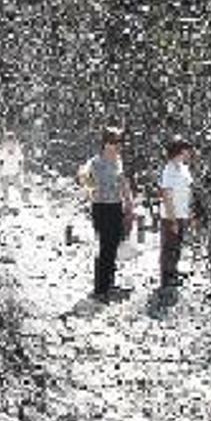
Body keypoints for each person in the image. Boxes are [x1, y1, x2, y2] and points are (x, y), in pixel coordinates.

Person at [78, 126, 134, 301]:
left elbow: (123, 181)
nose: (118, 145)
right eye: (114, 142)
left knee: (114, 244)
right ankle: (100, 288)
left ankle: (109, 282)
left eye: (119, 142)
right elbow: (83, 178)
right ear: (105, 143)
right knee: (105, 246)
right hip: (101, 208)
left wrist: (129, 202)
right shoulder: (95, 162)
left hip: (116, 206)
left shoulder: (118, 161)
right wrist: (90, 191)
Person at [159, 136, 197, 289]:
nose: (189, 153)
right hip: (171, 216)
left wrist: (191, 212)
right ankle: (166, 278)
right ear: (179, 151)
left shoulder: (183, 168)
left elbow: (188, 190)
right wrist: (173, 219)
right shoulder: (168, 170)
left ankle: (174, 271)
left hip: (183, 213)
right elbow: (167, 196)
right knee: (169, 247)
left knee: (177, 245)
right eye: (186, 150)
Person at [0, 131, 25, 207]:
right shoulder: (4, 150)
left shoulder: (18, 150)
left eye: (11, 142)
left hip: (14, 170)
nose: (10, 144)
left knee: (18, 185)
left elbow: (20, 160)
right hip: (6, 170)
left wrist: (20, 170)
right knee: (5, 186)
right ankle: (6, 201)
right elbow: (0, 161)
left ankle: (24, 198)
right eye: (8, 142)